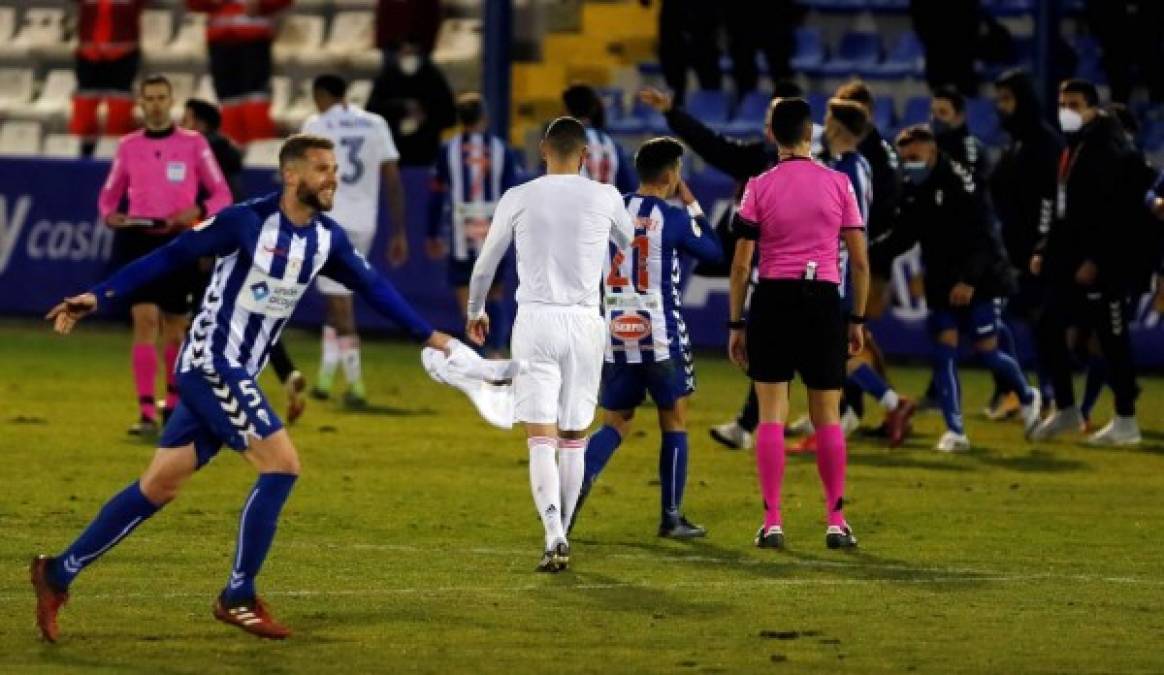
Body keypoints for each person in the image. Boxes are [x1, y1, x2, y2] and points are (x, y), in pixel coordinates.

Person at [32, 134, 455, 642]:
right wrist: (99, 296)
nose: (333, 179)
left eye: (335, 170)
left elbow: (376, 288)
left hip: (237, 372)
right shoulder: (244, 221)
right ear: (292, 175)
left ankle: (57, 572)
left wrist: (427, 335)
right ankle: (237, 594)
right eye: (322, 169)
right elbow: (169, 256)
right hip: (211, 364)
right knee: (282, 464)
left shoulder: (328, 239)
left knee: (159, 484)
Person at [465, 117, 635, 572]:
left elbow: (485, 264)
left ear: (543, 149)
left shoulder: (518, 197)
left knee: (540, 435)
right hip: (584, 321)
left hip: (535, 321)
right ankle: (562, 533)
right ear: (585, 155)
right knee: (574, 436)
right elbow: (627, 242)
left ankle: (553, 532)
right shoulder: (605, 195)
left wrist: (476, 310)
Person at [727, 97, 869, 550]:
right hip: (823, 300)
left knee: (771, 415)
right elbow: (861, 263)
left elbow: (740, 265)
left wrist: (736, 324)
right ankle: (835, 520)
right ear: (813, 134)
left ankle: (772, 521)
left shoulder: (758, 186)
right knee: (827, 416)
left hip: (773, 298)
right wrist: (858, 318)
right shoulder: (840, 184)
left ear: (773, 135)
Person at [569, 137, 723, 539]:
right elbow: (715, 253)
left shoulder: (609, 209)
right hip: (661, 335)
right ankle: (671, 517)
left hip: (616, 330)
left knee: (616, 422)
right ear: (672, 175)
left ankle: (571, 492)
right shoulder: (671, 218)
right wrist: (693, 205)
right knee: (673, 420)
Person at [875, 125, 1042, 452]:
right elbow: (903, 234)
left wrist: (968, 280)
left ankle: (1026, 394)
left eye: (915, 157)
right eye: (905, 158)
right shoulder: (912, 187)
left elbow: (982, 238)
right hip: (940, 279)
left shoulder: (961, 184)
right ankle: (956, 432)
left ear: (932, 152)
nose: (910, 164)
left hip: (980, 278)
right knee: (944, 351)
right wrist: (867, 250)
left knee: (988, 351)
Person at [100, 75, 233, 436]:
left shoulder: (193, 144)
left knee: (175, 328)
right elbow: (109, 196)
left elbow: (222, 194)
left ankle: (171, 406)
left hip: (180, 243)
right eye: (150, 98)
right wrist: (111, 216)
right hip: (140, 241)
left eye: (162, 98)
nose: (156, 104)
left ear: (171, 101)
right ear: (140, 103)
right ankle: (145, 412)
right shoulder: (128, 146)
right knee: (144, 321)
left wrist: (198, 210)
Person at [1029, 80, 1149, 445]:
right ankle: (1065, 407)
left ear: (1093, 106)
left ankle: (1126, 420)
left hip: (1105, 260)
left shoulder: (1109, 146)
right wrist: (1045, 248)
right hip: (1070, 256)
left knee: (1111, 338)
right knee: (1047, 325)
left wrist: (1098, 258)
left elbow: (1120, 212)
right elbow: (1065, 206)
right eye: (1063, 102)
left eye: (1075, 104)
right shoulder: (1078, 144)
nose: (1067, 110)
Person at [792, 99, 916, 451]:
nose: (823, 126)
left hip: (836, 273)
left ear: (838, 128)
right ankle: (878, 407)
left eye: (828, 120)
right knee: (835, 354)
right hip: (834, 271)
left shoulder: (849, 170)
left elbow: (851, 225)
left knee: (823, 355)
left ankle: (879, 407)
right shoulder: (848, 165)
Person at [183, 98, 309, 423]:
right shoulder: (230, 149)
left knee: (206, 319)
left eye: (187, 117)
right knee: (256, 314)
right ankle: (287, 373)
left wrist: (206, 248)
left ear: (198, 121)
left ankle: (206, 397)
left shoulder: (201, 150)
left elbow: (211, 201)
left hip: (221, 245)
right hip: (254, 240)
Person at [302, 74, 409, 407]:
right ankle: (323, 378)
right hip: (365, 222)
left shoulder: (316, 124)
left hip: (329, 220)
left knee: (340, 305)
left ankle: (356, 385)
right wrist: (399, 229)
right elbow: (391, 177)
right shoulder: (375, 123)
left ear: (321, 95)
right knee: (337, 300)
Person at [426, 92, 524, 356]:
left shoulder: (449, 149)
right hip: (494, 225)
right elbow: (513, 191)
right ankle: (496, 351)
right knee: (494, 292)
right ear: (484, 117)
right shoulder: (502, 149)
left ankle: (477, 352)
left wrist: (432, 233)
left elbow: (436, 192)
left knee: (466, 295)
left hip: (461, 227)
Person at [989, 69, 1064, 415]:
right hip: (1014, 248)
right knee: (1004, 321)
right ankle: (1015, 391)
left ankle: (1049, 395)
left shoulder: (1044, 143)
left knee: (1043, 324)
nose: (1001, 107)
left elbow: (1052, 199)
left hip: (1040, 251)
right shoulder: (1015, 142)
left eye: (1007, 99)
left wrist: (1042, 247)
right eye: (999, 99)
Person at [186, 0, 289, 145]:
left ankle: (261, 158)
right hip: (220, 41)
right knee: (228, 102)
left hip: (253, 39)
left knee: (255, 101)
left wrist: (261, 3)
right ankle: (234, 155)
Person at [366, 39, 457, 167]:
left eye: (413, 54)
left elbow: (449, 115)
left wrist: (424, 117)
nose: (409, 58)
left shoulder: (432, 77)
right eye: (405, 54)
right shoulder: (387, 77)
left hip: (426, 153)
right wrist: (402, 108)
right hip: (394, 153)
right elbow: (372, 111)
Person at [70, 0, 146, 151]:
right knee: (84, 106)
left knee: (120, 108)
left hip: (124, 55)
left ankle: (119, 152)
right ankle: (81, 155)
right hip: (88, 55)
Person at [562, 85, 637, 194]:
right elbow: (628, 189)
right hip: (607, 209)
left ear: (565, 111)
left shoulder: (561, 145)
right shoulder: (612, 145)